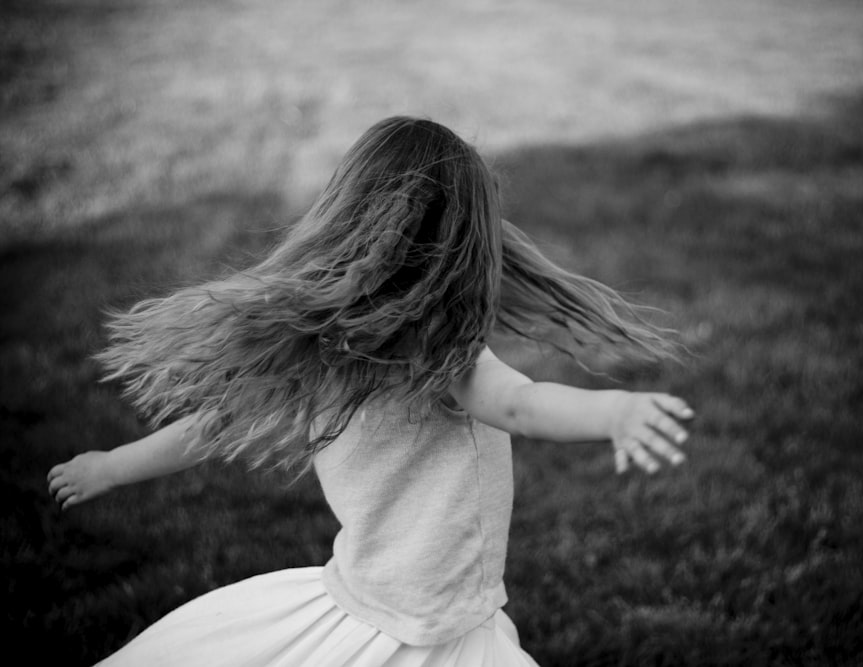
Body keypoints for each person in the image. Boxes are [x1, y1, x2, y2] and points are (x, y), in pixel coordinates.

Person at [47, 116, 694, 666]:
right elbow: (520, 403)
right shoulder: (448, 359)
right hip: (430, 633)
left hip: (364, 599)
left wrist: (110, 466)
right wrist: (614, 409)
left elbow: (211, 426)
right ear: (467, 241)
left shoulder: (325, 346)